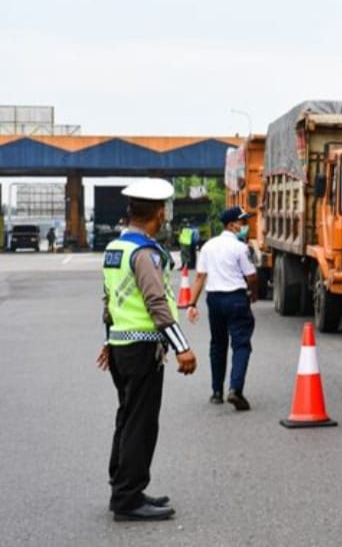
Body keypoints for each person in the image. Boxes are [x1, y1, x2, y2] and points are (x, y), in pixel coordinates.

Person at [97, 178, 197, 522]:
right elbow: (157, 303)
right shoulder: (145, 253)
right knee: (141, 423)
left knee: (127, 417)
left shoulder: (115, 248)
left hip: (121, 345)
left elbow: (110, 301)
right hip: (141, 348)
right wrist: (182, 348)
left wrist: (109, 340)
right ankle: (128, 498)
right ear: (159, 212)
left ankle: (124, 487)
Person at [185, 206, 258, 410]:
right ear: (231, 225)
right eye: (242, 222)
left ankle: (216, 392)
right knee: (241, 344)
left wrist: (192, 303)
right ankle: (235, 389)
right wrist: (253, 294)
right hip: (236, 298)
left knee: (218, 344)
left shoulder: (208, 246)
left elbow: (200, 277)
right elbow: (251, 276)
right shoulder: (240, 248)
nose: (245, 226)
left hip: (214, 299)